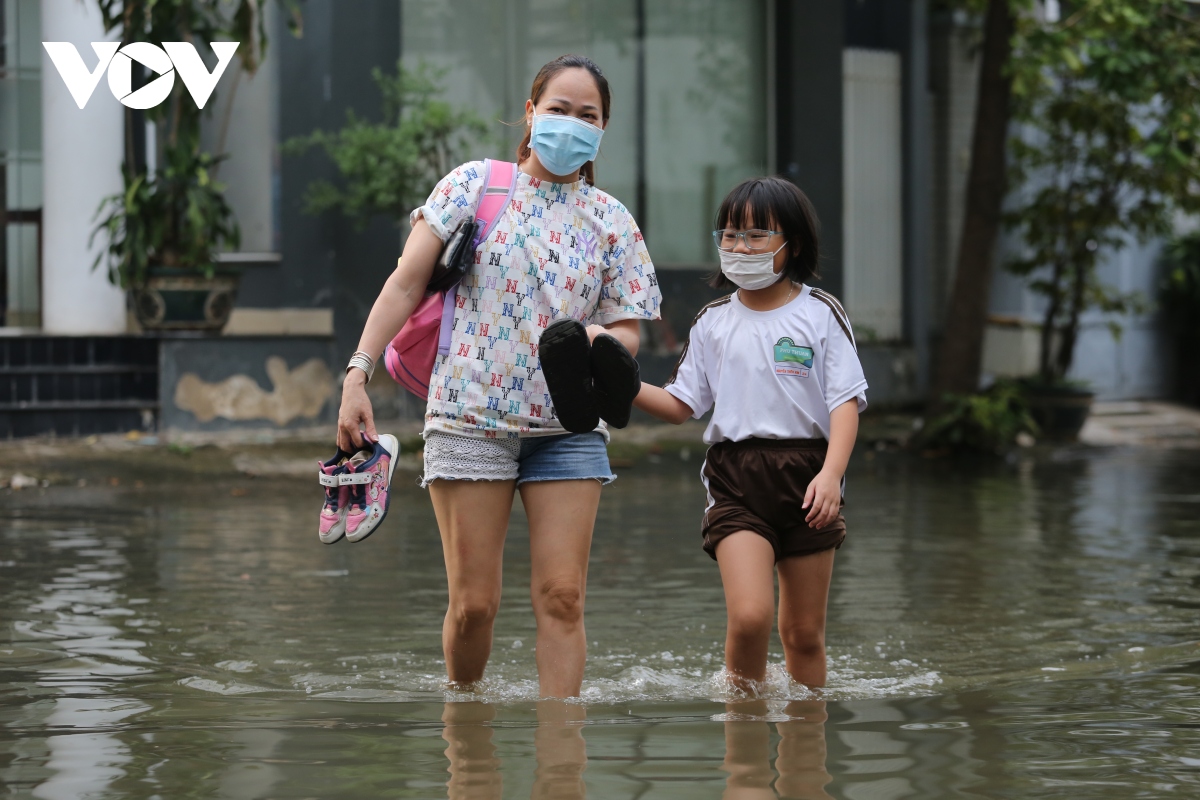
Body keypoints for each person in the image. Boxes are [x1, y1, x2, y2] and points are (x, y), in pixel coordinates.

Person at [337, 54, 661, 698]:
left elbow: (630, 328)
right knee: (474, 606)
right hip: (469, 418)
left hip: (568, 428)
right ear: (532, 111)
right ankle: (467, 735)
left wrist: (601, 340)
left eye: (587, 115)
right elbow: (406, 283)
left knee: (564, 598)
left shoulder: (613, 221)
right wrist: (357, 373)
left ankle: (561, 764)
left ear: (604, 129)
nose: (571, 124)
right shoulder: (472, 186)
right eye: (559, 109)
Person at [632, 177, 866, 692]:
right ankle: (743, 750)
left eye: (757, 235)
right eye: (731, 235)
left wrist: (832, 476)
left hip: (811, 480)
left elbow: (844, 403)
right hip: (736, 480)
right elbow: (679, 405)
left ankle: (806, 749)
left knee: (803, 635)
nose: (740, 247)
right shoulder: (713, 322)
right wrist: (621, 383)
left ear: (793, 244)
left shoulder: (820, 313)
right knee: (751, 617)